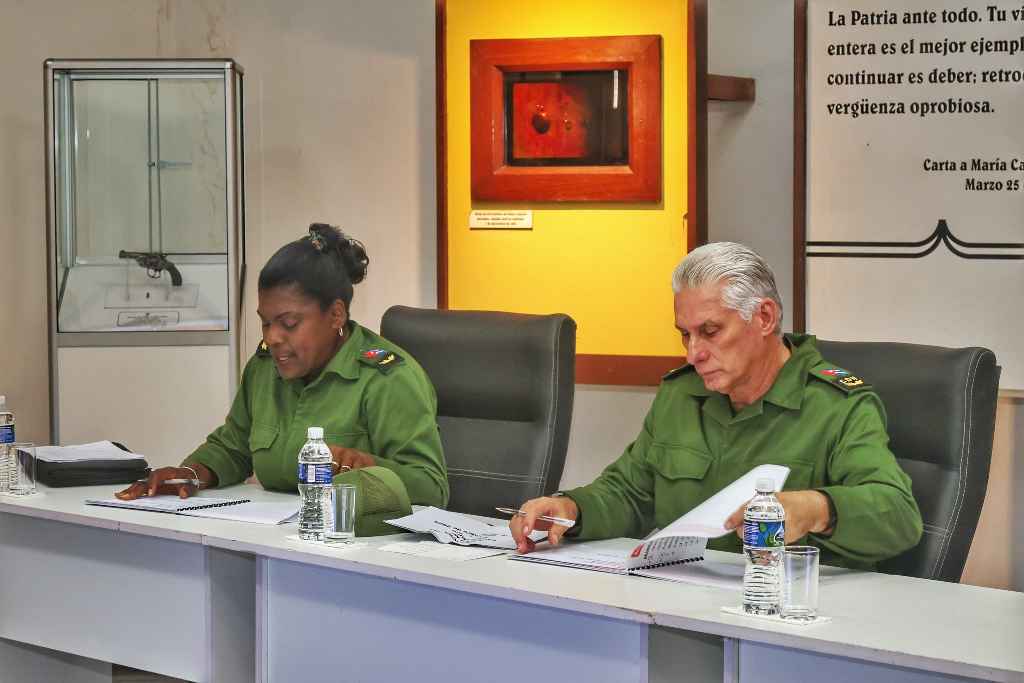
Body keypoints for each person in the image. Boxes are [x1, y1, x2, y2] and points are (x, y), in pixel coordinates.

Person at [511, 242, 922, 569]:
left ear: (764, 317)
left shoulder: (837, 406)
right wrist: (570, 509)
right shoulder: (682, 395)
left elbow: (900, 516)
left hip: (790, 613)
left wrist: (817, 508)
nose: (694, 354)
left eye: (710, 331)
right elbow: (630, 493)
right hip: (686, 601)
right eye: (685, 335)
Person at [117, 223, 449, 523]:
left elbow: (432, 487)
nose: (273, 337)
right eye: (265, 322)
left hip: (355, 546)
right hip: (280, 536)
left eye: (289, 323)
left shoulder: (387, 378)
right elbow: (234, 447)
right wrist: (189, 473)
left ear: (336, 315)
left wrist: (368, 466)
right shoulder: (265, 368)